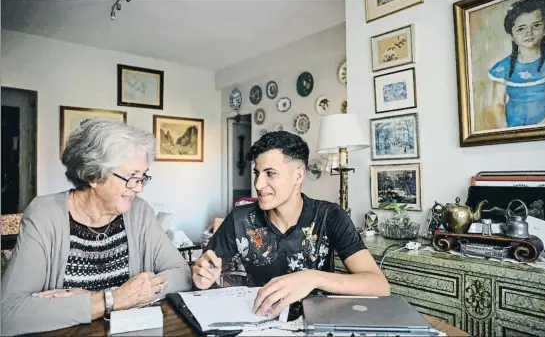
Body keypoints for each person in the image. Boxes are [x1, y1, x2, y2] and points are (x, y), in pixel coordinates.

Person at [1, 119, 192, 336]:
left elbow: (182, 275)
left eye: (143, 177)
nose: (139, 188)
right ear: (94, 175)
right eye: (131, 177)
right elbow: (8, 313)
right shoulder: (44, 215)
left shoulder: (139, 212)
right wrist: (111, 300)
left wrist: (111, 297)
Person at [191, 131, 390, 318]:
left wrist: (313, 277)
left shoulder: (330, 216)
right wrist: (202, 276)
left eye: (270, 173)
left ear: (299, 175)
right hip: (257, 321)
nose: (258, 184)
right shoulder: (239, 219)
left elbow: (379, 285)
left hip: (315, 323)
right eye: (257, 173)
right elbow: (203, 271)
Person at [487, 0, 545, 128]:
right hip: (513, 130)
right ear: (511, 34)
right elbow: (498, 104)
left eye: (536, 25)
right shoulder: (503, 68)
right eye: (521, 29)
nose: (529, 33)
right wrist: (506, 133)